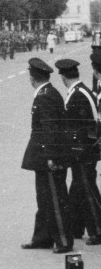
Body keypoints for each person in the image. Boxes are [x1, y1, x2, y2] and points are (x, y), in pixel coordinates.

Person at [21, 57, 72, 253]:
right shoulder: (45, 93)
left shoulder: (45, 96)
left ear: (32, 78)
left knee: (54, 199)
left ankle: (63, 241)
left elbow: (51, 129)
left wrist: (51, 156)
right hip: (43, 156)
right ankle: (43, 237)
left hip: (49, 157)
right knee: (44, 198)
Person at [56, 58, 101, 244]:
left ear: (63, 77)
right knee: (78, 190)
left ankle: (98, 231)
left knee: (88, 192)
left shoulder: (78, 94)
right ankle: (76, 227)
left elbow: (85, 127)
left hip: (84, 152)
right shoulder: (79, 91)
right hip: (84, 150)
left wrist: (76, 151)